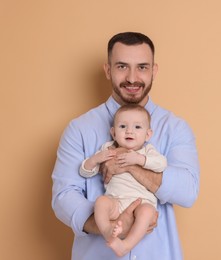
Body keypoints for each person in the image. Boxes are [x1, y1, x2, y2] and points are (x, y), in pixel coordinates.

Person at [52, 32, 200, 260]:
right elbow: (63, 197)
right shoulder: (79, 129)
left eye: (142, 67)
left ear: (154, 71)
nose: (132, 78)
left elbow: (187, 191)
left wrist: (130, 164)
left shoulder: (175, 128)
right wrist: (113, 225)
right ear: (108, 70)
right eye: (122, 66)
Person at [79, 104, 167, 257]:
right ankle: (107, 231)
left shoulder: (147, 150)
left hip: (142, 202)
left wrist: (139, 159)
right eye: (122, 126)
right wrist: (95, 159)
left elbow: (161, 164)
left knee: (147, 212)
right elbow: (85, 171)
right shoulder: (108, 149)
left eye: (137, 127)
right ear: (113, 132)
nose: (129, 131)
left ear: (148, 135)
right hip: (116, 202)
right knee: (101, 202)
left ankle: (126, 245)